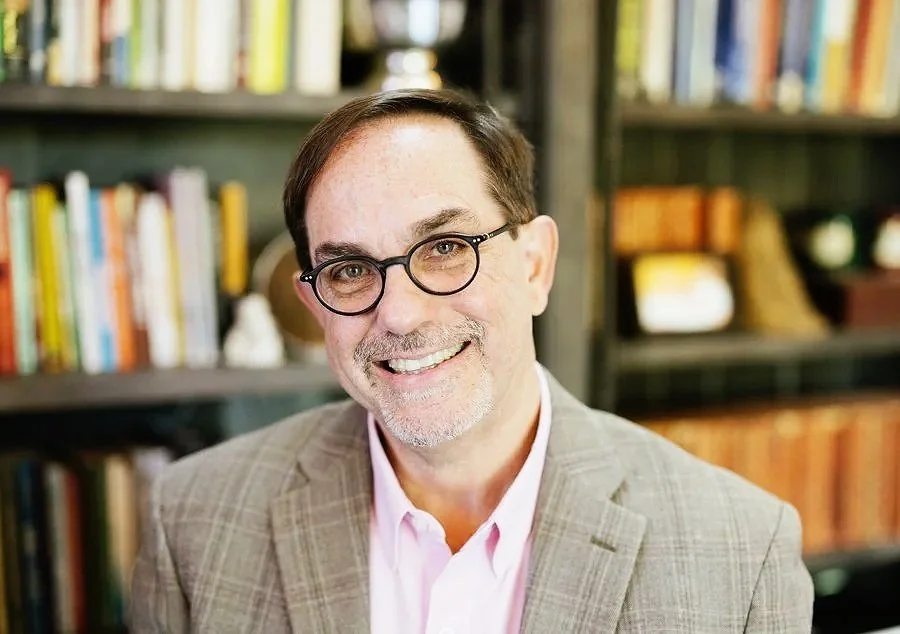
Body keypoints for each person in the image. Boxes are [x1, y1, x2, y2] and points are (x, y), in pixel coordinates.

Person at [129, 88, 815, 633]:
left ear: (536, 265)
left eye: (446, 248)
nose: (399, 313)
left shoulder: (739, 550)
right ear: (314, 305)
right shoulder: (193, 521)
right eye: (348, 270)